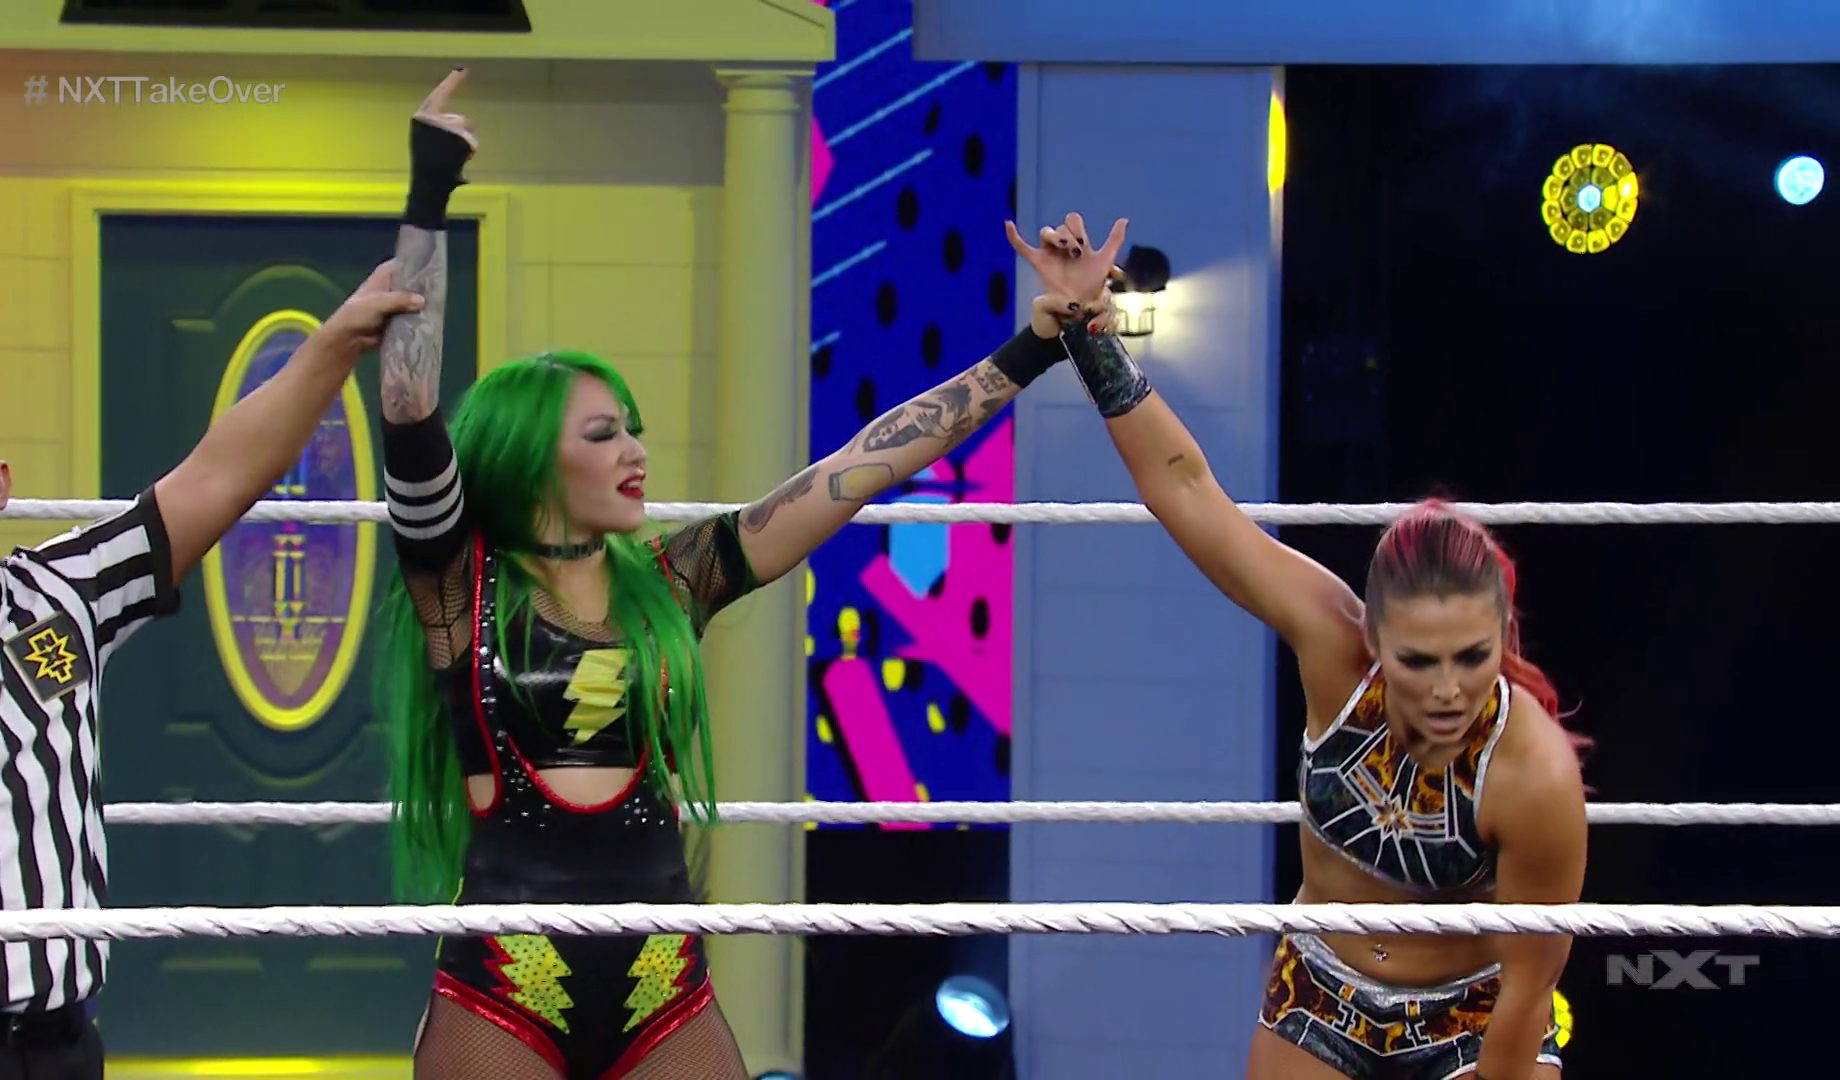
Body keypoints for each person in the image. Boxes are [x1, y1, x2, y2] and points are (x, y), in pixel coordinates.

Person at [376, 71, 1118, 1080]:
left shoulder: (674, 578)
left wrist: (1033, 347)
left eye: (634, 427)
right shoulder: (460, 588)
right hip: (508, 982)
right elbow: (408, 403)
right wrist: (428, 192)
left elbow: (862, 466)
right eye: (604, 434)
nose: (637, 450)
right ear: (527, 458)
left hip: (661, 980)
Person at [1009, 215, 1588, 1080]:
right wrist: (1091, 335)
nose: (1447, 689)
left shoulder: (1533, 772)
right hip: (1318, 993)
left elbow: (1528, 991)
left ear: (1502, 636)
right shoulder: (1332, 645)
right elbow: (1186, 488)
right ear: (1374, 638)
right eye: (1418, 661)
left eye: (1471, 657)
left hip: (1473, 1014)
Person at [0, 274, 424, 1073]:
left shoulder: (63, 595)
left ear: (0, 480)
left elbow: (220, 473)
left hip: (63, 1038)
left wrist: (337, 340)